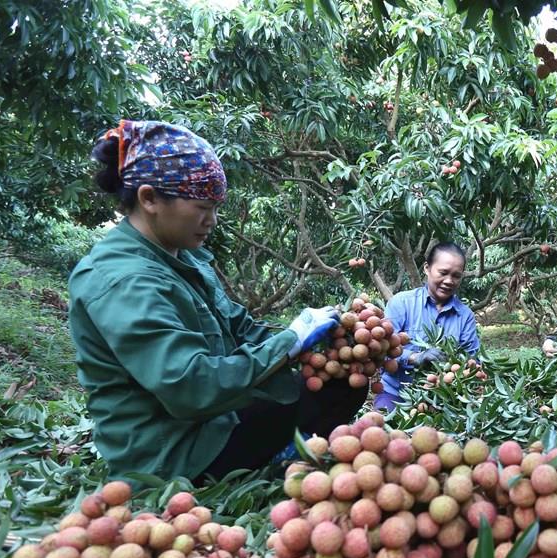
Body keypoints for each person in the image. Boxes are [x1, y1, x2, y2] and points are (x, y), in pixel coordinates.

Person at [69, 120, 367, 482]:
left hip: (213, 419)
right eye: (201, 207)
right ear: (149, 199)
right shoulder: (122, 280)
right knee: (317, 394)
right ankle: (267, 468)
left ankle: (286, 459)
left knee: (345, 380)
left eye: (215, 207)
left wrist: (323, 343)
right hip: (174, 453)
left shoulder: (182, 256)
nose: (211, 221)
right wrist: (289, 342)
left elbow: (240, 327)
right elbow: (189, 387)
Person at [375, 242, 480, 411]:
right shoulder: (401, 303)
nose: (449, 281)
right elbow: (380, 351)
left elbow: (472, 358)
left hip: (441, 399)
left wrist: (466, 368)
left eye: (456, 276)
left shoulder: (465, 316)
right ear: (427, 268)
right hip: (395, 393)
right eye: (443, 273)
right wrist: (414, 357)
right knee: (380, 433)